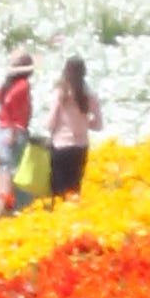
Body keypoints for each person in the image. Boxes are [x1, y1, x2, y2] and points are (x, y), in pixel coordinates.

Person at [0, 48, 34, 215]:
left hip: (2, 134)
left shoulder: (6, 87)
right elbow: (9, 102)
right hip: (14, 135)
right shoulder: (23, 85)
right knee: (14, 180)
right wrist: (11, 126)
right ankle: (8, 215)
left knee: (1, 182)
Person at [46, 54, 103, 201]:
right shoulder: (90, 95)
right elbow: (98, 125)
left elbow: (50, 122)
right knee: (74, 188)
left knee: (58, 190)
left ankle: (59, 213)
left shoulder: (61, 92)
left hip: (61, 145)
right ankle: (73, 213)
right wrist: (84, 123)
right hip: (80, 146)